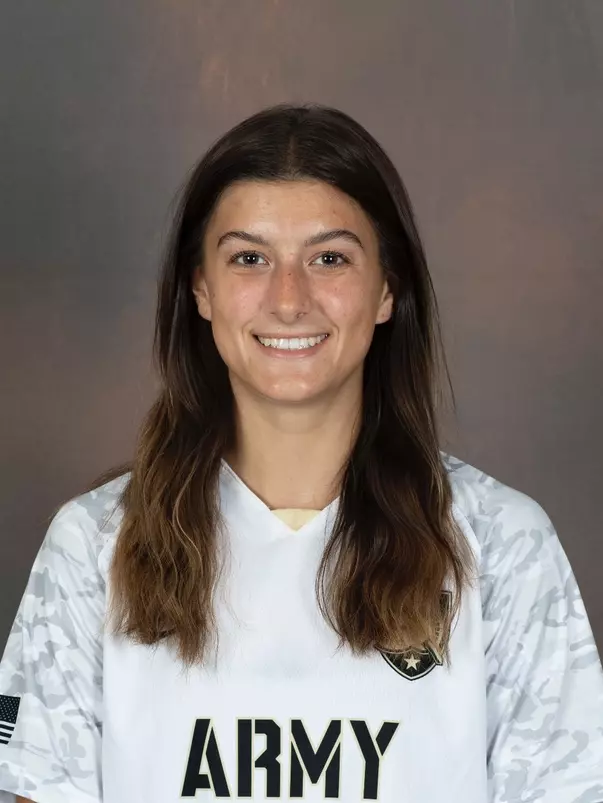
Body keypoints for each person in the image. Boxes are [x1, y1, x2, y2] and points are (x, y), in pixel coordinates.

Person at [0, 103, 602, 803]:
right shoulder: (94, 546)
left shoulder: (502, 546)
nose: (288, 299)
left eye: (329, 258)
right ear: (201, 288)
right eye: (249, 258)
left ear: (385, 290)